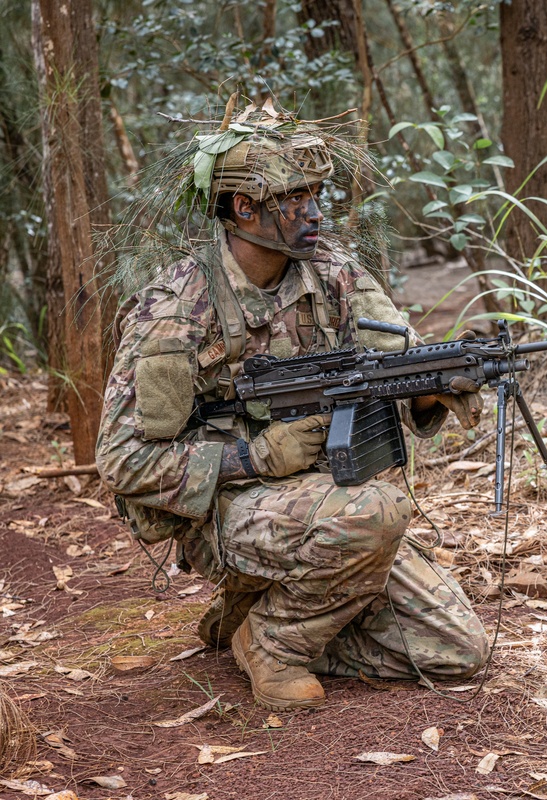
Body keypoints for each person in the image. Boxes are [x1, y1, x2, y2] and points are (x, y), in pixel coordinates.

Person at [96, 100, 489, 711]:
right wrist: (254, 457)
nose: (315, 211)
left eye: (315, 193)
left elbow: (397, 366)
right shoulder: (179, 308)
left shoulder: (337, 277)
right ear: (243, 208)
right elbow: (122, 461)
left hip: (332, 507)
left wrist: (433, 384)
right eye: (294, 198)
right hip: (228, 513)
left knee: (457, 652)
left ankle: (259, 609)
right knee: (379, 511)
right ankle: (274, 642)